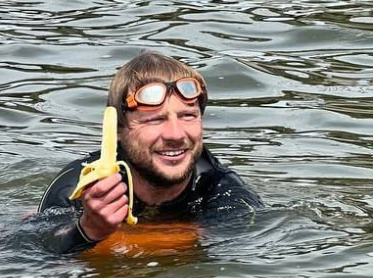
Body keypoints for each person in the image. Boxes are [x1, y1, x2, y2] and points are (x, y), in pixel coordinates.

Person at [35, 52, 262, 254]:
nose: (175, 134)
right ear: (118, 130)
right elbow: (34, 256)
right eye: (155, 120)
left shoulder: (222, 190)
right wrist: (88, 230)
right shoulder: (77, 188)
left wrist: (120, 238)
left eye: (188, 116)